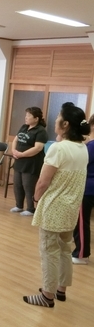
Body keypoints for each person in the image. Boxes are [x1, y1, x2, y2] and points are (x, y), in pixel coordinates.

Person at [23, 102, 90, 308]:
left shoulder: (58, 149)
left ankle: (47, 295)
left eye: (58, 117)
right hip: (71, 208)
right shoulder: (83, 148)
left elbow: (43, 182)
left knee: (48, 251)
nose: (55, 120)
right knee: (63, 250)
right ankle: (60, 290)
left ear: (66, 124)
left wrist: (35, 199)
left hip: (54, 207)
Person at [10, 107, 48, 216]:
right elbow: (16, 140)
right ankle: (19, 205)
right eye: (25, 115)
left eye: (28, 116)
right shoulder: (24, 127)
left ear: (36, 119)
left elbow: (38, 148)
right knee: (17, 184)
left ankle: (31, 208)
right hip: (19, 161)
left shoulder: (40, 131)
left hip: (31, 163)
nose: (25, 118)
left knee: (28, 185)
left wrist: (22, 154)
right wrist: (13, 150)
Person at [72, 113, 94, 265]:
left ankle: (81, 254)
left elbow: (81, 164)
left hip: (88, 188)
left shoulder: (91, 146)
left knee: (81, 222)